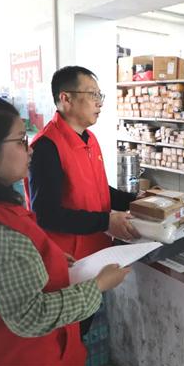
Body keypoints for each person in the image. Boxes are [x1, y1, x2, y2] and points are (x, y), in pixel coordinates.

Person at [0, 94, 131, 366]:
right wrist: (99, 285)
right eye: (20, 141)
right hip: (21, 358)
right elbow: (31, 315)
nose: (29, 150)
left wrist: (45, 259)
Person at [27, 66, 140, 261]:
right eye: (92, 94)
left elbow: (96, 190)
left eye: (99, 95)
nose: (99, 103)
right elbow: (46, 214)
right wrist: (106, 222)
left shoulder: (89, 139)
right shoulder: (46, 147)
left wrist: (137, 202)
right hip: (69, 259)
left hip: (98, 249)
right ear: (66, 99)